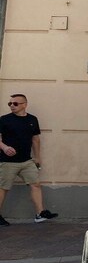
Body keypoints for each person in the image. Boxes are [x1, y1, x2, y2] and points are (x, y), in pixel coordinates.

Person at [0, 94, 58, 226]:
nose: (12, 106)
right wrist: (4, 147)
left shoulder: (32, 119)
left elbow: (35, 139)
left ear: (24, 105)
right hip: (7, 161)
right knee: (3, 187)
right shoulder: (4, 119)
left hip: (27, 161)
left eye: (15, 103)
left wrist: (37, 157)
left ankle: (40, 213)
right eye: (10, 104)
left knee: (35, 184)